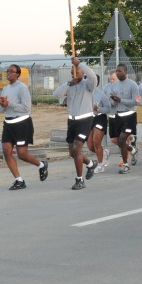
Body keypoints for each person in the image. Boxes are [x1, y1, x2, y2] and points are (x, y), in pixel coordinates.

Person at [0, 64, 48, 190]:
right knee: (6, 151)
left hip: (21, 124)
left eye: (11, 71)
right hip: (8, 124)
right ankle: (19, 180)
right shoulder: (5, 89)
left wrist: (9, 104)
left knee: (22, 154)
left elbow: (26, 108)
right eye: (7, 71)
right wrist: (3, 106)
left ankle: (41, 164)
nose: (8, 73)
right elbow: (0, 109)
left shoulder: (22, 88)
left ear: (17, 74)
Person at [52, 57, 98, 190]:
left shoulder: (89, 85)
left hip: (85, 120)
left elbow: (93, 76)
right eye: (74, 70)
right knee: (72, 152)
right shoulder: (69, 85)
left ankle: (79, 180)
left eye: (78, 70)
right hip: (72, 120)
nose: (76, 71)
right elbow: (57, 94)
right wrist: (69, 83)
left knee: (77, 149)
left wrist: (79, 64)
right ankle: (90, 164)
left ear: (82, 72)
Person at [108, 63, 140, 174]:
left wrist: (120, 100)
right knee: (118, 141)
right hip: (118, 115)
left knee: (122, 140)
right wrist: (112, 100)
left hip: (129, 115)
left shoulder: (133, 85)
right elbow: (112, 102)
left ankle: (126, 165)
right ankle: (132, 149)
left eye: (120, 71)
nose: (118, 73)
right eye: (117, 71)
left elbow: (136, 101)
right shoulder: (114, 85)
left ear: (126, 72)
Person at [87, 75, 111, 173]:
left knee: (96, 142)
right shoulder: (84, 93)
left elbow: (108, 108)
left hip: (100, 118)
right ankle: (104, 152)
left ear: (96, 82)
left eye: (92, 81)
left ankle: (101, 164)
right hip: (88, 119)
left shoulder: (101, 94)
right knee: (90, 146)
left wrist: (98, 109)